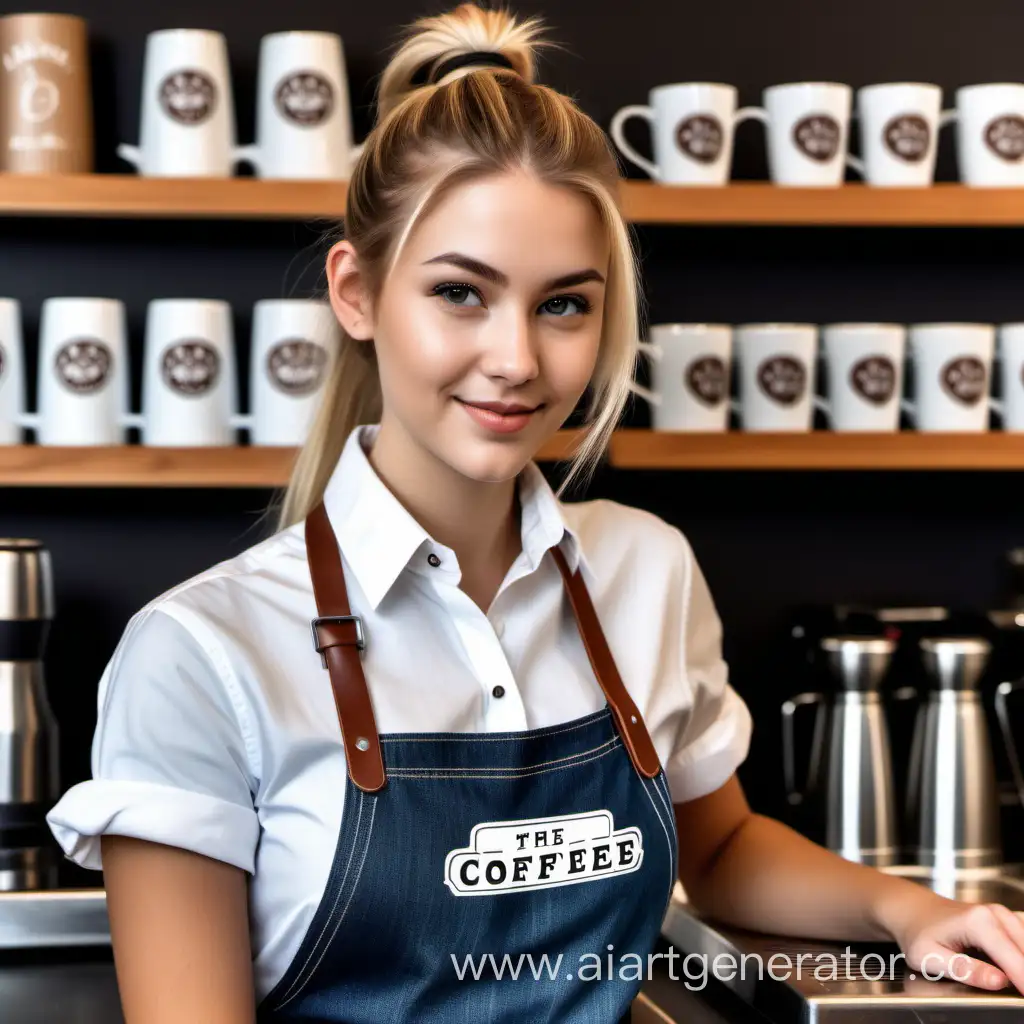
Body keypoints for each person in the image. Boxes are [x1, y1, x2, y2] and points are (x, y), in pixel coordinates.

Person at [46, 5, 1024, 1022]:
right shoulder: (200, 654)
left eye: (563, 304)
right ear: (357, 292)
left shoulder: (643, 569)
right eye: (461, 294)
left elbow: (720, 850)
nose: (516, 358)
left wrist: (910, 913)